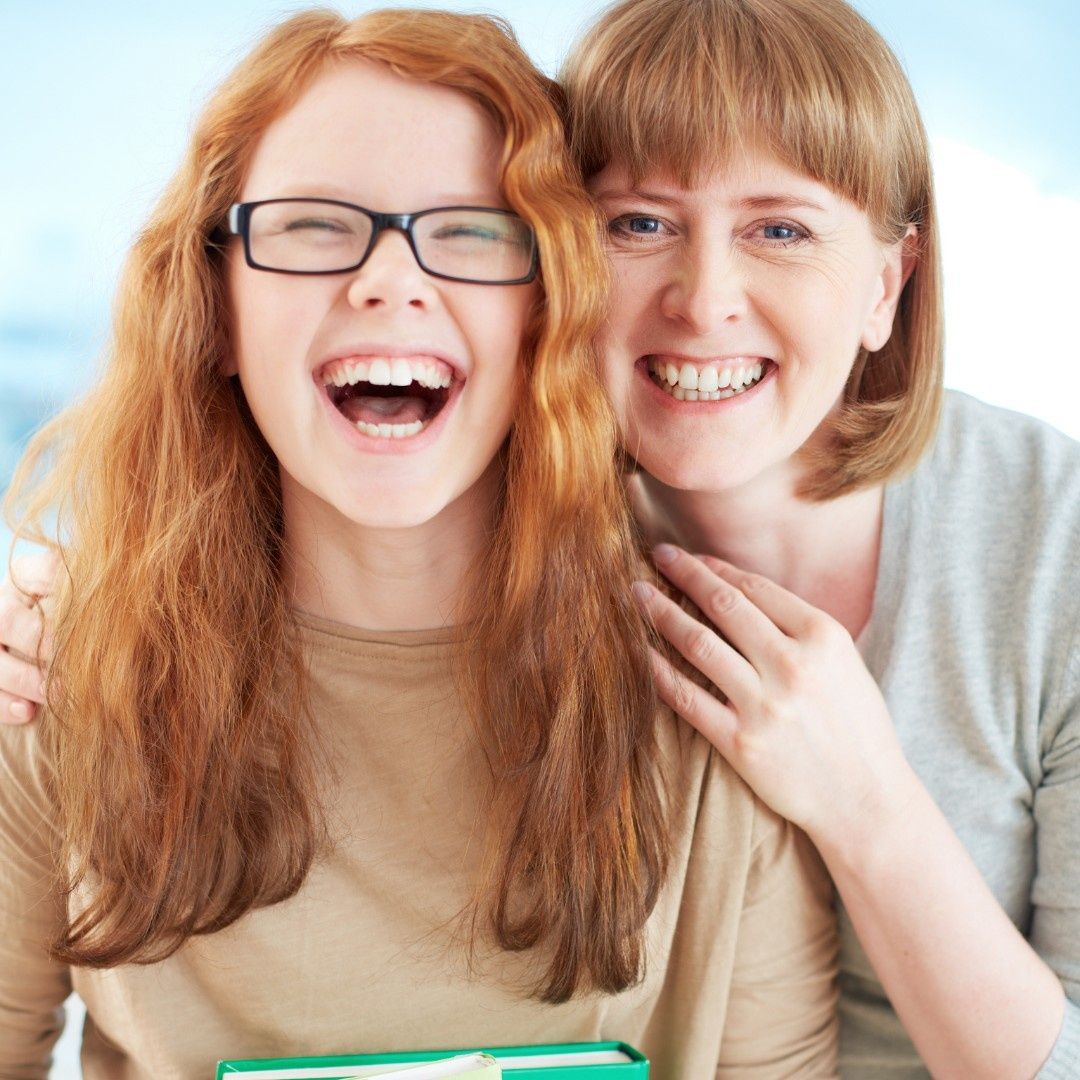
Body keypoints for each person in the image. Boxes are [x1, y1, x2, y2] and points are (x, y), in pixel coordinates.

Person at [0, 7, 839, 1077]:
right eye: (311, 225)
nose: (389, 281)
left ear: (551, 315)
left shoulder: (722, 700)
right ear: (214, 309)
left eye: (472, 231)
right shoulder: (52, 683)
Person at [556, 0, 1079, 1077]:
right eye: (638, 224)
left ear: (887, 285)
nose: (704, 301)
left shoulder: (1052, 548)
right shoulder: (500, 545)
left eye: (780, 231)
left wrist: (865, 802)